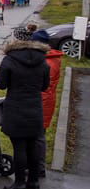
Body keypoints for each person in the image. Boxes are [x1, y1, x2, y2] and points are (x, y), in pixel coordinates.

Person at [0, 30, 50, 189]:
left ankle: (19, 184)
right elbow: (44, 87)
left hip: (16, 108)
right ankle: (33, 183)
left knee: (19, 147)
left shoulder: (10, 60)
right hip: (34, 108)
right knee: (33, 145)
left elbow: (1, 85)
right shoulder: (43, 61)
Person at [34, 30, 63, 179]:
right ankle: (39, 167)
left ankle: (37, 167)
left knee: (37, 137)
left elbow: (38, 84)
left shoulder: (46, 63)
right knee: (40, 135)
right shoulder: (54, 59)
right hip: (48, 100)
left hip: (40, 101)